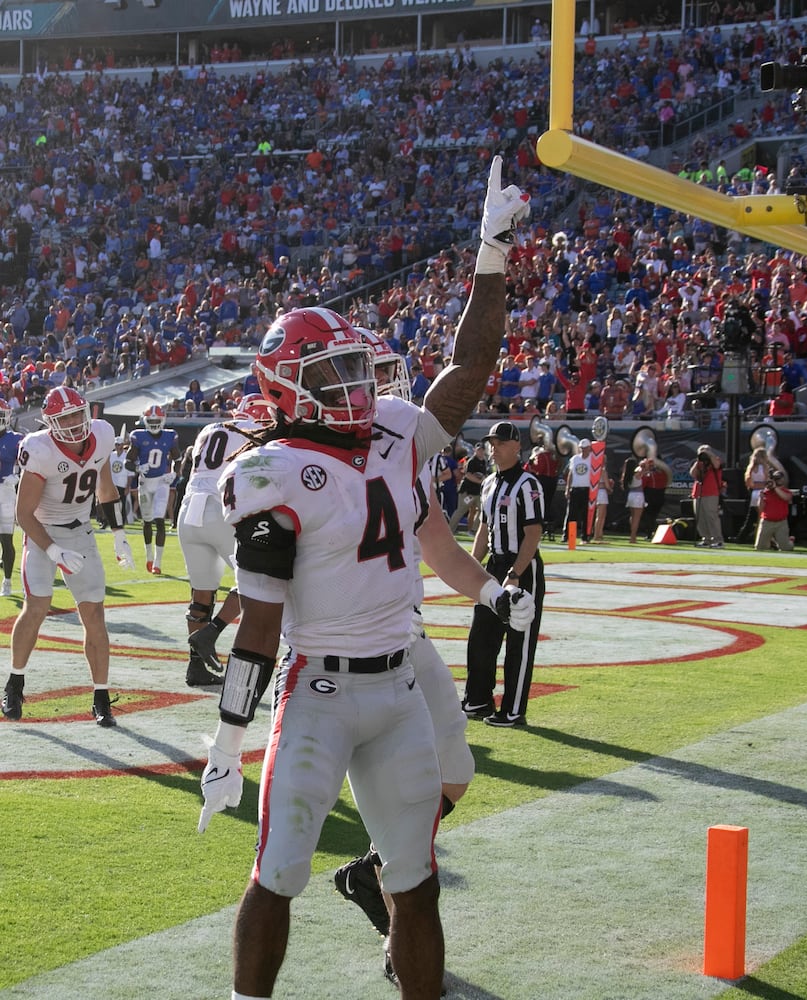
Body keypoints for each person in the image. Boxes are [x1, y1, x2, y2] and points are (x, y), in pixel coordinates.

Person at [197, 156, 530, 1000]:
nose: (354, 386)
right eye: (332, 373)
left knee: (414, 880)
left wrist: (490, 252)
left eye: (354, 368)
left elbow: (469, 371)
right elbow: (262, 626)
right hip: (317, 690)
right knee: (276, 873)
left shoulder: (390, 429)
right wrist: (229, 741)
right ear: (285, 386)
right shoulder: (267, 471)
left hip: (397, 691)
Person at [333, 332, 536, 985]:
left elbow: (441, 548)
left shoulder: (403, 455)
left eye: (389, 377)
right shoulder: (311, 455)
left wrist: (494, 592)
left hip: (407, 636)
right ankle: (399, 939)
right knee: (406, 810)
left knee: (455, 771)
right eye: (372, 378)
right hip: (347, 649)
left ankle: (369, 872)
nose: (386, 391)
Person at [1, 386, 134, 726]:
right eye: (65, 418)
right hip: (42, 531)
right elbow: (24, 514)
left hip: (81, 533)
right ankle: (14, 683)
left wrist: (119, 534)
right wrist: (53, 549)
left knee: (94, 614)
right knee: (37, 607)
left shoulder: (102, 434)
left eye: (77, 414)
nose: (75, 423)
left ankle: (101, 696)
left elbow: (105, 488)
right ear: (50, 422)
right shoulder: (40, 449)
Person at [177, 394, 276, 688]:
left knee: (200, 593)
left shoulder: (210, 429)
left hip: (189, 510)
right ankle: (213, 632)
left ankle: (196, 666)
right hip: (220, 508)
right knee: (253, 578)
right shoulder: (256, 433)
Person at [462, 420, 545, 727]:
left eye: (498, 443)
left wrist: (516, 572)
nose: (492, 448)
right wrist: (471, 567)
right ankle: (478, 699)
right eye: (490, 443)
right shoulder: (489, 483)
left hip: (521, 566)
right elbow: (484, 528)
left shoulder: (527, 484)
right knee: (481, 634)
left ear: (515, 446)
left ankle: (512, 710)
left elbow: (533, 533)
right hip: (495, 565)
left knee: (519, 640)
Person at [127, 403, 181, 574]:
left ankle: (157, 562)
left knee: (159, 519)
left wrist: (174, 473)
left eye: (157, 419)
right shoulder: (138, 436)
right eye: (152, 420)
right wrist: (136, 468)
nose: (155, 423)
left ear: (163, 419)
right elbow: (127, 462)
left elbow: (178, 459)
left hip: (162, 483)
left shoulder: (170, 436)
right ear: (145, 420)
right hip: (145, 483)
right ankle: (149, 555)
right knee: (147, 521)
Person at [0, 399, 23, 596]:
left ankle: (7, 581)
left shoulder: (15, 439)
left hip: (5, 491)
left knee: (6, 540)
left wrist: (17, 477)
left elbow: (31, 464)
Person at [734, 446, 772, 544]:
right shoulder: (764, 467)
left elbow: (749, 483)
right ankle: (761, 538)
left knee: (751, 518)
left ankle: (742, 537)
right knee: (762, 517)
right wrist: (761, 485)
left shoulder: (750, 468)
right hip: (762, 493)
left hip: (754, 492)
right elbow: (767, 480)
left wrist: (754, 486)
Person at [448, 440, 488, 534]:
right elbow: (468, 475)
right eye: (479, 450)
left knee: (483, 510)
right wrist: (479, 481)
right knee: (461, 511)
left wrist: (483, 480)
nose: (480, 452)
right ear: (475, 450)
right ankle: (450, 530)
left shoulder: (484, 462)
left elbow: (484, 475)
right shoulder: (472, 461)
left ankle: (474, 529)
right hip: (467, 491)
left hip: (477, 491)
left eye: (482, 450)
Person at [690, 445, 725, 547]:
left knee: (711, 517)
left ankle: (718, 540)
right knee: (700, 517)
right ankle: (706, 539)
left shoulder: (715, 460)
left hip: (711, 493)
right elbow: (692, 474)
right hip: (698, 493)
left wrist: (709, 454)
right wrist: (698, 460)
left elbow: (717, 465)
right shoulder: (698, 464)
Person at [754, 469, 794, 551]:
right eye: (776, 479)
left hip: (781, 522)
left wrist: (775, 488)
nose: (779, 480)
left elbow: (786, 498)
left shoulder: (785, 491)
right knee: (760, 547)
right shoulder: (766, 492)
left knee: (786, 548)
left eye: (780, 478)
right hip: (767, 521)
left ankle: (790, 541)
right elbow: (760, 508)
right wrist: (761, 498)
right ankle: (772, 543)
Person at [563, 437, 592, 543]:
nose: (583, 450)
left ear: (589, 448)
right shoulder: (575, 459)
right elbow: (570, 473)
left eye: (585, 448)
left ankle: (585, 537)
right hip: (575, 488)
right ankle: (569, 536)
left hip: (587, 489)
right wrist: (567, 488)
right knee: (571, 514)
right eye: (582, 448)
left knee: (586, 515)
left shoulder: (593, 459)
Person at [620, 455, 646, 543]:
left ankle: (632, 536)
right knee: (636, 518)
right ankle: (632, 537)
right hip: (638, 496)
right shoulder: (637, 474)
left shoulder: (627, 475)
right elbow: (644, 469)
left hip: (631, 495)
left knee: (632, 516)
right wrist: (643, 464)